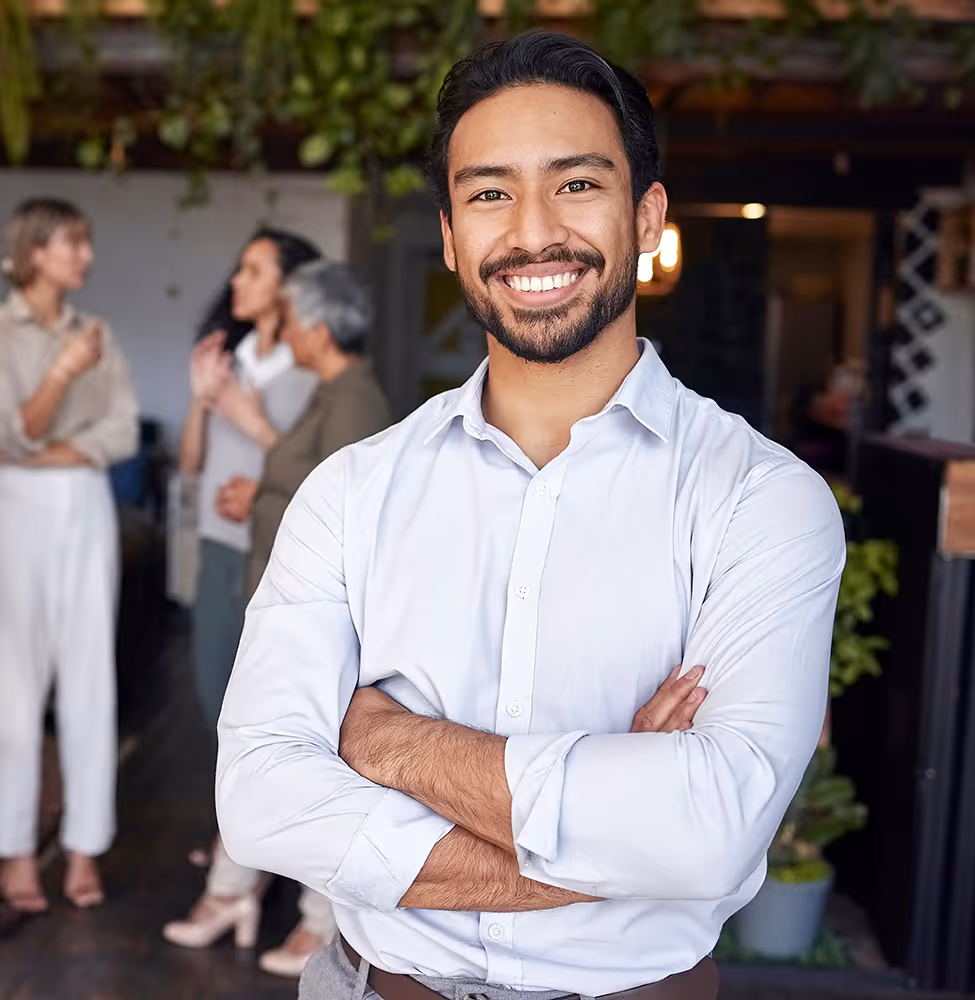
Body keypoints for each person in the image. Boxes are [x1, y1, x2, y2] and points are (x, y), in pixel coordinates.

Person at [217, 30, 846, 1000]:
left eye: (577, 184)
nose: (531, 230)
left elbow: (708, 831)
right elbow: (260, 799)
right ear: (450, 235)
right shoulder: (350, 489)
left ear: (646, 216)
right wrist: (611, 829)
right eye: (489, 192)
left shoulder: (761, 499)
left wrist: (387, 743)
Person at [211, 258, 392, 976]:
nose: (282, 329)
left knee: (317, 764)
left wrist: (257, 500)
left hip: (328, 620)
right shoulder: (330, 392)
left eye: (289, 318)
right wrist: (257, 497)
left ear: (316, 328)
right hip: (292, 607)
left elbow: (346, 525)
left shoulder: (352, 399)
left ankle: (319, 926)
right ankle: (243, 894)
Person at [162, 229, 319, 951]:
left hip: (273, 557)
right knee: (213, 702)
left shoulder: (307, 371)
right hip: (220, 552)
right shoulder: (229, 361)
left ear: (289, 285)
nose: (237, 281)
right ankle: (248, 850)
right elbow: (193, 465)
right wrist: (202, 399)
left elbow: (308, 471)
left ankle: (244, 875)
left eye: (253, 269)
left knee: (258, 716)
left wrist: (257, 484)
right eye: (239, 267)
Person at [0, 197, 140, 914]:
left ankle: (85, 847)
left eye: (86, 242)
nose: (85, 256)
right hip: (14, 508)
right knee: (14, 690)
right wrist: (60, 373)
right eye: (72, 243)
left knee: (90, 676)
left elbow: (121, 433)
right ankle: (16, 853)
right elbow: (8, 434)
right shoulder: (3, 333)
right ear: (34, 252)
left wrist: (59, 451)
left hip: (82, 500)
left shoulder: (98, 332)